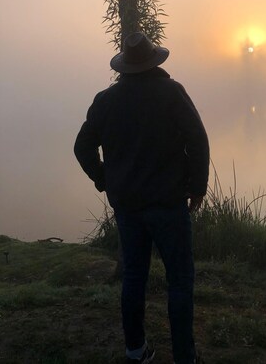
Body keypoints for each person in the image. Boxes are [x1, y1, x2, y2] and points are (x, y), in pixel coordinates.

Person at [74, 32, 210, 364]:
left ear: (124, 68)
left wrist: (105, 179)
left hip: (128, 206)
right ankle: (184, 357)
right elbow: (198, 139)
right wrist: (198, 187)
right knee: (179, 278)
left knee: (134, 275)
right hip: (168, 204)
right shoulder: (171, 93)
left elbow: (82, 147)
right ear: (154, 62)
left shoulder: (105, 100)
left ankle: (136, 351)